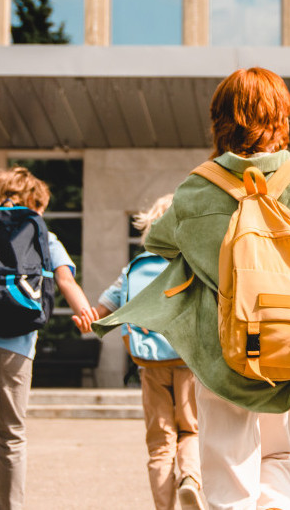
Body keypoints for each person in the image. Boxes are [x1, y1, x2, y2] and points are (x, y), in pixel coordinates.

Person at [92, 67, 290, 510]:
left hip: (221, 345)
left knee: (228, 467)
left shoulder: (198, 187)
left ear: (220, 119)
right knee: (278, 453)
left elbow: (159, 243)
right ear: (281, 115)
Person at [0, 166, 98, 510]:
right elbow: (66, 281)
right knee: (11, 434)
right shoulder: (45, 237)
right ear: (33, 203)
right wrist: (87, 315)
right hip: (17, 345)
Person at [76, 193, 204, 510]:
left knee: (160, 443)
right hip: (189, 360)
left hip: (150, 363)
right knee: (191, 430)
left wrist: (87, 320)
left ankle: (163, 507)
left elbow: (101, 313)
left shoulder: (135, 268)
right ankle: (190, 478)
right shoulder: (194, 262)